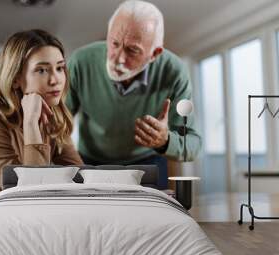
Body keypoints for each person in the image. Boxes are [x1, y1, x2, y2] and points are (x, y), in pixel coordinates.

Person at [0, 29, 83, 221]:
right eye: (42, 70)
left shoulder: (52, 114)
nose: (55, 80)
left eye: (60, 68)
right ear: (16, 78)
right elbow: (26, 194)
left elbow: (79, 177)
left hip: (17, 218)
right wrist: (31, 124)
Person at [66, 0, 201, 189]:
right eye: (114, 43)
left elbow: (193, 145)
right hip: (90, 161)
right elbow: (58, 124)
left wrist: (166, 141)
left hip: (147, 162)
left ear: (155, 54)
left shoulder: (175, 72)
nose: (119, 58)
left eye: (133, 50)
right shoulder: (80, 62)